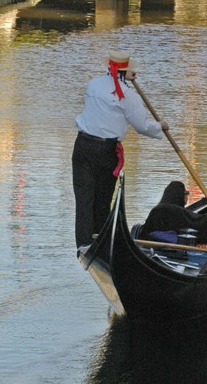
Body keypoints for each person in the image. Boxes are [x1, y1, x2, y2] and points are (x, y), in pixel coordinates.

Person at [72, 50, 169, 250]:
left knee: (84, 199)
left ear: (109, 67)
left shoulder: (93, 84)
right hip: (105, 151)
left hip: (82, 146)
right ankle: (100, 240)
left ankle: (83, 244)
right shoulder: (129, 97)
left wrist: (125, 77)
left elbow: (110, 91)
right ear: (126, 70)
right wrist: (161, 127)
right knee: (102, 200)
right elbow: (142, 126)